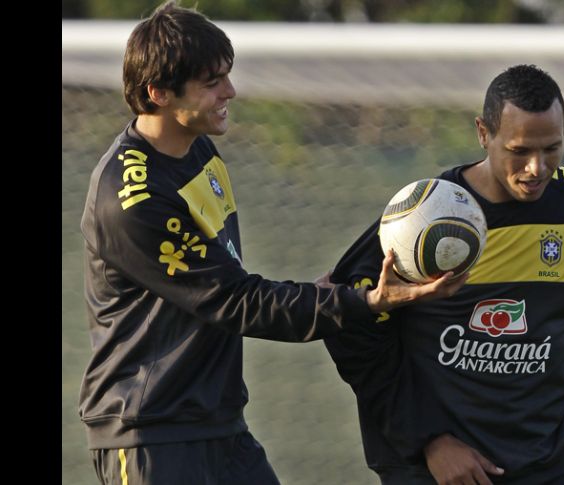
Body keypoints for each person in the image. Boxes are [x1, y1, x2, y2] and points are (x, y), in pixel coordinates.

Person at [77, 2, 466, 484]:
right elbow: (236, 302)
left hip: (218, 424)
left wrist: (317, 295)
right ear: (158, 92)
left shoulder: (197, 147)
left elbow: (223, 280)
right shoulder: (133, 199)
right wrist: (365, 301)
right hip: (151, 434)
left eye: (227, 75)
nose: (230, 92)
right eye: (212, 82)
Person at [324, 64, 564, 485]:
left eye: (551, 148)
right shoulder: (426, 217)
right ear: (484, 133)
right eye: (520, 151)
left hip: (555, 463)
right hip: (441, 470)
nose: (537, 167)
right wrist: (429, 440)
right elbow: (349, 325)